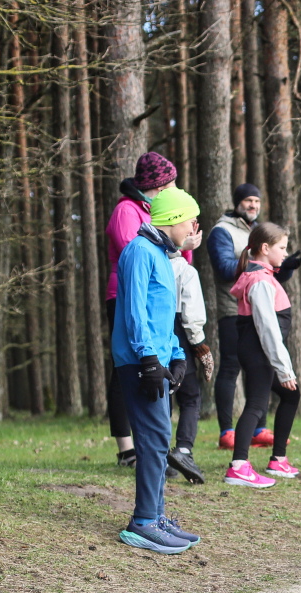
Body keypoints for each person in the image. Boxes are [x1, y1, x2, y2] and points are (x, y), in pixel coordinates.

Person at [111, 187, 204, 555]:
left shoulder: (163, 256)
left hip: (156, 359)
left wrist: (177, 354)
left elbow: (163, 317)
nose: (194, 225)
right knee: (152, 440)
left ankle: (157, 514)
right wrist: (149, 359)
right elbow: (134, 311)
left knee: (160, 436)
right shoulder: (139, 251)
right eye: (189, 218)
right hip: (138, 361)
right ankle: (143, 521)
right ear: (171, 219)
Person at [105, 152, 200, 468]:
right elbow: (133, 252)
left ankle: (156, 449)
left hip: (159, 299)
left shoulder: (160, 214)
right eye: (168, 185)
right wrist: (178, 246)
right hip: (127, 298)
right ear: (155, 186)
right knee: (129, 373)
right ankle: (128, 449)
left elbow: (167, 256)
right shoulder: (127, 211)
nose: (173, 190)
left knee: (159, 369)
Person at [207, 184, 301, 451]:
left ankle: (259, 429)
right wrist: (254, 260)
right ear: (238, 202)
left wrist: (285, 267)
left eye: (257, 201)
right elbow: (226, 269)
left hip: (260, 307)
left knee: (259, 372)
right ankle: (227, 431)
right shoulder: (221, 231)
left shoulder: (258, 230)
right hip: (233, 310)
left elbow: (269, 276)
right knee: (230, 367)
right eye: (248, 200)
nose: (253, 205)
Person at [223, 223, 301, 488]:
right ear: (265, 249)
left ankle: (278, 459)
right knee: (257, 404)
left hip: (259, 350)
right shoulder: (259, 281)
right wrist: (284, 369)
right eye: (282, 248)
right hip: (259, 351)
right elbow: (267, 328)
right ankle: (239, 467)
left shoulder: (263, 275)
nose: (285, 253)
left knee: (291, 394)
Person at [165, 244, 211, 485]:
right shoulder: (185, 270)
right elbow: (191, 315)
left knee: (163, 394)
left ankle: (160, 455)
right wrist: (200, 346)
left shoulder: (149, 263)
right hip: (180, 334)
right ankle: (183, 451)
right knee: (190, 397)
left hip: (155, 333)